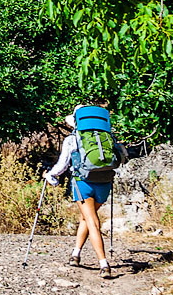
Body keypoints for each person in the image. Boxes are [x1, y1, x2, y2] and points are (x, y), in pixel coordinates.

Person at [44, 105, 124, 279]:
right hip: (104, 182)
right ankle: (76, 254)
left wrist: (50, 175)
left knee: (92, 221)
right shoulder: (107, 136)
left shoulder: (73, 139)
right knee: (86, 219)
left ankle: (104, 264)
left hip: (83, 183)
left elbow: (62, 165)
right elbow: (122, 155)